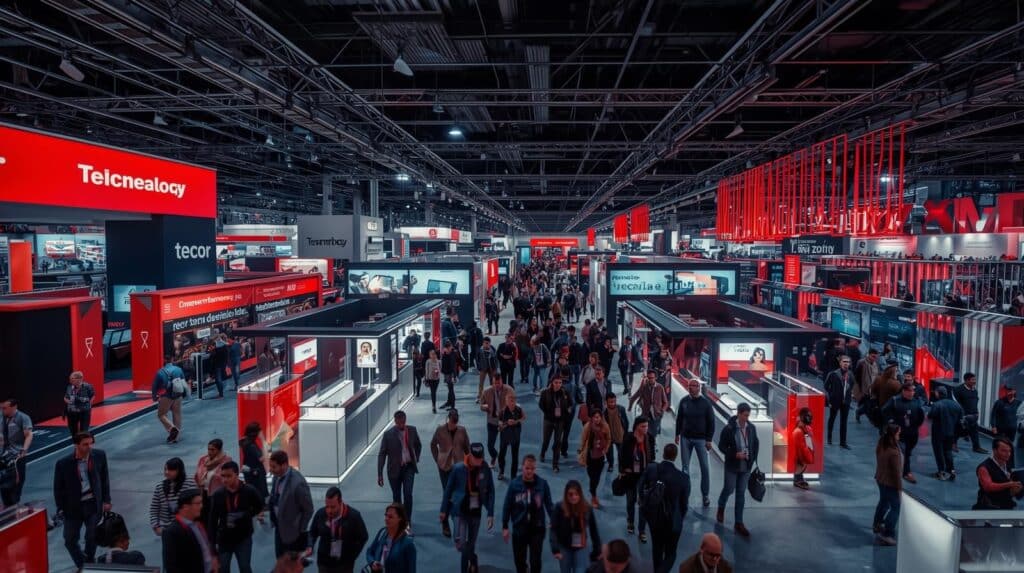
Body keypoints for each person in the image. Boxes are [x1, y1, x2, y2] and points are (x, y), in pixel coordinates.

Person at [54, 431, 111, 568]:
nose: (89, 447)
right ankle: (84, 564)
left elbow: (104, 479)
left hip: (93, 503)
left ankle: (88, 563)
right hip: (73, 507)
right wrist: (61, 508)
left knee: (92, 537)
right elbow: (58, 488)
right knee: (69, 540)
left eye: (91, 443)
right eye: (85, 444)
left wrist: (106, 500)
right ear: (76, 445)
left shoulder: (99, 455)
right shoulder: (63, 463)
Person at [441, 443, 495, 573]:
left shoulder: (485, 467)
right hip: (460, 511)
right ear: (470, 456)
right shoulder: (458, 469)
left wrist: (490, 513)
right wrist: (444, 510)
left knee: (470, 544)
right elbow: (448, 490)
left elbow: (491, 490)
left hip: (476, 513)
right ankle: (473, 558)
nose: (479, 461)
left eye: (481, 458)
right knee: (461, 544)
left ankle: (471, 562)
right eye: (476, 458)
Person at [640, 444, 690, 573]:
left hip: (655, 519)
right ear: (675, 456)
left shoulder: (652, 469)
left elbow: (640, 488)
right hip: (673, 521)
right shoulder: (683, 478)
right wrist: (680, 518)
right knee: (671, 553)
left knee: (657, 549)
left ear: (663, 454)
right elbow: (684, 504)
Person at [208, 461, 264, 573]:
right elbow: (212, 520)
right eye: (223, 476)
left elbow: (260, 505)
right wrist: (212, 544)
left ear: (237, 474)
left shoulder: (249, 490)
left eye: (229, 476)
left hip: (243, 537)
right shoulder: (218, 494)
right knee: (223, 569)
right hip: (224, 538)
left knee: (244, 567)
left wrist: (247, 515)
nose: (225, 480)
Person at [502, 455, 555, 573]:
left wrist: (554, 520)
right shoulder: (514, 485)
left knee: (535, 561)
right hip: (519, 528)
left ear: (535, 469)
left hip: (537, 529)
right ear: (522, 467)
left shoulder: (542, 484)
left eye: (532, 468)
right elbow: (507, 505)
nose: (530, 471)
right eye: (527, 468)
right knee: (519, 561)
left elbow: (549, 505)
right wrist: (505, 526)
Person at [716, 402, 759, 537]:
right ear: (739, 414)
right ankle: (721, 507)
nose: (747, 418)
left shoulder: (751, 428)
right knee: (729, 489)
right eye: (745, 415)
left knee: (741, 493)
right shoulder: (729, 429)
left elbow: (755, 444)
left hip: (746, 466)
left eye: (748, 415)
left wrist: (752, 460)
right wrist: (734, 454)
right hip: (732, 465)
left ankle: (738, 522)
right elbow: (721, 446)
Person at [306, 487, 369, 573]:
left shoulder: (354, 516)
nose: (329, 510)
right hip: (324, 563)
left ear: (340, 502)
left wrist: (352, 556)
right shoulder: (321, 514)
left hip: (344, 565)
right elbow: (312, 533)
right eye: (327, 506)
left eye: (333, 507)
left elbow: (363, 537)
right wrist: (310, 545)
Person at [431, 408, 471, 538]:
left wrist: (468, 463)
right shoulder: (440, 430)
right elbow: (433, 444)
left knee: (458, 493)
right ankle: (445, 523)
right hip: (444, 466)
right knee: (447, 493)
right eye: (452, 421)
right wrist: (437, 458)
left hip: (459, 467)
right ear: (448, 419)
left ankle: (458, 520)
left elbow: (467, 448)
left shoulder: (462, 430)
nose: (454, 424)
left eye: (456, 422)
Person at [674, 379, 714, 507]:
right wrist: (677, 434)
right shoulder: (684, 401)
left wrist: (709, 439)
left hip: (701, 440)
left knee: (705, 468)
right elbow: (679, 418)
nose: (690, 388)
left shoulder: (706, 404)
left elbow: (711, 423)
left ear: (699, 388)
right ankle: (685, 495)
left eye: (693, 386)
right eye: (689, 386)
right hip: (686, 438)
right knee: (685, 468)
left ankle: (705, 495)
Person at [377, 410, 422, 524]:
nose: (402, 425)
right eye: (399, 423)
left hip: (409, 468)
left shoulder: (412, 430)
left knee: (408, 494)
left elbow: (418, 445)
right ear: (395, 421)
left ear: (405, 420)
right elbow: (382, 454)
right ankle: (399, 521)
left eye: (403, 422)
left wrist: (416, 458)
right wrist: (380, 474)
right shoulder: (388, 435)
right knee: (396, 498)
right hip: (394, 470)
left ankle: (407, 521)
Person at [268, 450, 315, 557]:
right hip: (279, 528)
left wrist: (300, 529)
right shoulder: (276, 477)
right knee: (280, 562)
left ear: (284, 465)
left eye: (273, 467)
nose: (270, 470)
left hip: (293, 534)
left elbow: (308, 509)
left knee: (292, 566)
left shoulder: (298, 483)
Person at [550, 480, 601, 573]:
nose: (574, 497)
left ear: (580, 495)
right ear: (566, 495)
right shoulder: (559, 507)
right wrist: (555, 548)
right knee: (565, 570)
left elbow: (594, 530)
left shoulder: (587, 508)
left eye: (576, 494)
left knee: (580, 570)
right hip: (564, 546)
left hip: (581, 546)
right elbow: (553, 529)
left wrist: (597, 549)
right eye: (570, 494)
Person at [162, 488, 217, 572]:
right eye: (198, 503)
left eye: (201, 503)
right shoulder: (172, 532)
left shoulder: (199, 523)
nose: (201, 506)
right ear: (185, 507)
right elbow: (171, 566)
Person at [881, 383, 925, 483]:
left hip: (912, 432)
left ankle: (900, 469)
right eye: (909, 391)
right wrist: (891, 422)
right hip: (899, 433)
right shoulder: (895, 400)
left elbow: (921, 415)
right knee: (903, 452)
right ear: (904, 391)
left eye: (913, 391)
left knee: (908, 453)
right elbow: (884, 411)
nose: (912, 393)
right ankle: (906, 472)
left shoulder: (916, 401)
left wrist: (916, 425)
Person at [620, 416, 656, 541]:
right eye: (643, 426)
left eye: (646, 426)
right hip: (630, 475)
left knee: (643, 503)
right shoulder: (629, 438)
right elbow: (622, 454)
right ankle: (630, 521)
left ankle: (642, 530)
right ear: (636, 426)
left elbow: (652, 457)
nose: (646, 429)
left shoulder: (650, 438)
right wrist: (623, 470)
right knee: (631, 500)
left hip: (644, 475)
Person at [149, 457, 199, 537]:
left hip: (187, 529)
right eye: (165, 469)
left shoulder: (190, 484)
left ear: (179, 470)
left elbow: (197, 507)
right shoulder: (160, 487)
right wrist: (156, 527)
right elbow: (154, 509)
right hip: (167, 530)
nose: (167, 472)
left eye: (171, 470)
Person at [973, 438, 1024, 510]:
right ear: (994, 450)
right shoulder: (983, 468)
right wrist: (1010, 484)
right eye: (1004, 451)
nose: (1008, 454)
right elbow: (988, 487)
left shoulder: (1007, 461)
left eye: (1009, 451)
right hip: (989, 507)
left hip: (1005, 502)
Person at [874, 424, 903, 546]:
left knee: (883, 502)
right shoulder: (894, 452)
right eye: (898, 433)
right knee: (896, 508)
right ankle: (887, 533)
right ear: (894, 434)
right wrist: (899, 489)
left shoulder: (882, 443)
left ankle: (877, 524)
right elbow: (897, 473)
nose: (899, 435)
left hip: (880, 478)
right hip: (890, 482)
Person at [366, 503, 416, 573]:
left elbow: (411, 569)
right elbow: (370, 552)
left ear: (400, 518)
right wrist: (372, 562)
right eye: (386, 515)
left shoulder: (408, 543)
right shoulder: (382, 532)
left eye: (390, 517)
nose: (386, 519)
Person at [0, 398, 33, 506]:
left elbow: (28, 435)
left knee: (16, 484)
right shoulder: (1, 417)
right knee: (3, 484)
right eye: (1, 408)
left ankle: (15, 505)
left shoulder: (23, 417)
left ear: (14, 407)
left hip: (17, 456)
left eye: (5, 408)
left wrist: (24, 449)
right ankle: (7, 505)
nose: (2, 410)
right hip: (2, 455)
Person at [928, 386, 964, 481]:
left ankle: (941, 471)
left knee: (938, 452)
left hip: (938, 433)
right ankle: (951, 470)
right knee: (948, 451)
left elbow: (930, 415)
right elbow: (961, 419)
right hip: (950, 433)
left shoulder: (937, 404)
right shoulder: (956, 405)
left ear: (938, 393)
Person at [481, 373, 516, 468]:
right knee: (490, 445)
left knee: (503, 446)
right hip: (492, 421)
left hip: (504, 422)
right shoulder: (486, 391)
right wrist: (484, 407)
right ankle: (494, 455)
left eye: (499, 383)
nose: (497, 385)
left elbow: (514, 406)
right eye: (495, 383)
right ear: (492, 383)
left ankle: (501, 467)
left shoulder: (509, 390)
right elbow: (481, 405)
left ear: (502, 382)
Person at [540, 376, 573, 472]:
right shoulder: (545, 392)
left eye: (560, 382)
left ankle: (555, 464)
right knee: (546, 440)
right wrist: (547, 412)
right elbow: (541, 404)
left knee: (558, 442)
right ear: (552, 383)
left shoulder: (565, 393)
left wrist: (568, 411)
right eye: (556, 382)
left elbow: (571, 403)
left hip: (560, 421)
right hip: (549, 420)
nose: (558, 384)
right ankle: (543, 452)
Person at [579, 410, 611, 508]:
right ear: (592, 418)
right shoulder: (588, 427)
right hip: (590, 455)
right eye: (595, 417)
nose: (597, 419)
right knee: (592, 476)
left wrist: (606, 449)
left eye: (599, 417)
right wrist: (581, 451)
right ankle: (593, 495)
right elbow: (583, 439)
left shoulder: (605, 426)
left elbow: (609, 438)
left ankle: (593, 494)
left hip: (600, 456)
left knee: (596, 477)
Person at [195, 438, 232, 520]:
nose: (209, 452)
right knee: (203, 516)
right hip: (203, 492)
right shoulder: (203, 460)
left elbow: (224, 478)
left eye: (213, 450)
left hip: (216, 494)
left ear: (219, 450)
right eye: (208, 449)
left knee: (216, 516)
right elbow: (197, 474)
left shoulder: (226, 461)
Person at [629, 371, 668, 445]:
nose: (650, 379)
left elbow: (665, 402)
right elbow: (636, 395)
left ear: (655, 378)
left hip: (656, 414)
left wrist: (662, 411)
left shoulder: (660, 387)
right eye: (649, 378)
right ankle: (649, 445)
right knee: (646, 432)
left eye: (652, 378)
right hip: (646, 414)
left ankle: (652, 444)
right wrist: (630, 406)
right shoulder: (644, 387)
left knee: (654, 433)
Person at [153, 356, 186, 443]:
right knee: (177, 414)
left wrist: (154, 397)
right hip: (178, 395)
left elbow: (154, 387)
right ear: (171, 360)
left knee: (161, 415)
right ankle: (175, 437)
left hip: (166, 396)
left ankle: (172, 428)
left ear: (163, 361)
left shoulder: (160, 372)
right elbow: (183, 381)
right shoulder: (178, 369)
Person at [823, 355, 854, 448]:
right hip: (835, 400)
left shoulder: (851, 374)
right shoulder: (833, 374)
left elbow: (852, 385)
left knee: (844, 422)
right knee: (832, 419)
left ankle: (843, 442)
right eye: (844, 361)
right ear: (840, 363)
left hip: (846, 401)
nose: (846, 364)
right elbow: (826, 386)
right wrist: (831, 396)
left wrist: (849, 393)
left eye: (848, 362)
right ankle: (829, 438)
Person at [953, 372, 988, 454]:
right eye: (973, 380)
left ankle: (976, 447)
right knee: (959, 430)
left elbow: (975, 402)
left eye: (975, 379)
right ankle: (953, 443)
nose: (975, 381)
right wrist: (962, 416)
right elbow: (956, 403)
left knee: (974, 431)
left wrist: (976, 412)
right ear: (966, 380)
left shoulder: (974, 390)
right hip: (963, 416)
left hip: (973, 415)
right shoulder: (958, 390)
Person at [498, 392, 526, 481]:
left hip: (515, 435)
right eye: (509, 401)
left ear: (515, 401)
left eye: (513, 401)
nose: (511, 403)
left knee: (515, 456)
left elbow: (524, 417)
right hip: (505, 436)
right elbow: (499, 424)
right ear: (506, 401)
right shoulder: (502, 411)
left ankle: (513, 475)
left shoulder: (519, 409)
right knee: (502, 454)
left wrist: (516, 421)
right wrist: (506, 423)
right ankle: (501, 471)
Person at [238, 422, 269, 501]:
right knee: (258, 494)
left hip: (249, 471)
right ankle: (259, 510)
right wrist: (263, 441)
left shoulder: (244, 441)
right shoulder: (251, 446)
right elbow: (262, 458)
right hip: (256, 473)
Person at [64, 370, 95, 436]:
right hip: (72, 412)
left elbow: (92, 396)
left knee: (84, 430)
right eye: (70, 378)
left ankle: (83, 444)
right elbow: (65, 397)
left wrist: (89, 405)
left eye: (72, 378)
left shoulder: (87, 386)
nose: (70, 380)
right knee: (73, 430)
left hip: (84, 411)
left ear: (80, 379)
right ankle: (76, 445)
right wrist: (69, 402)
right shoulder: (69, 387)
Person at [854, 349, 880, 423]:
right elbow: (857, 375)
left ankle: (859, 412)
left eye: (875, 357)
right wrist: (860, 388)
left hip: (873, 388)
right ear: (869, 355)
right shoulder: (862, 362)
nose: (874, 358)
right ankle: (861, 413)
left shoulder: (875, 364)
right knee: (868, 405)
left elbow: (876, 375)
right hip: (864, 388)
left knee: (869, 404)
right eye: (873, 356)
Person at [791, 407, 815, 490]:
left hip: (805, 453)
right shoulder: (798, 431)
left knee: (803, 463)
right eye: (808, 416)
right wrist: (804, 458)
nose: (810, 419)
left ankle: (799, 477)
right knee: (801, 463)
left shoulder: (806, 429)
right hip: (801, 457)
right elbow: (799, 450)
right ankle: (797, 478)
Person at [605, 394, 629, 473]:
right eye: (610, 402)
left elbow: (626, 422)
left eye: (614, 401)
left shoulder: (621, 409)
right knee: (609, 452)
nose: (612, 403)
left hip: (620, 434)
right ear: (606, 402)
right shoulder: (604, 412)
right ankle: (611, 464)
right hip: (609, 435)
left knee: (621, 452)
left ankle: (621, 466)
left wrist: (625, 433)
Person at [441, 340, 459, 413]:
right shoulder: (446, 354)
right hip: (447, 374)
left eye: (447, 348)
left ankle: (453, 406)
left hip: (450, 374)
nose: (446, 350)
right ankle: (449, 403)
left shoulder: (451, 354)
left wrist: (453, 376)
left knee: (451, 390)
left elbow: (453, 366)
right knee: (450, 389)